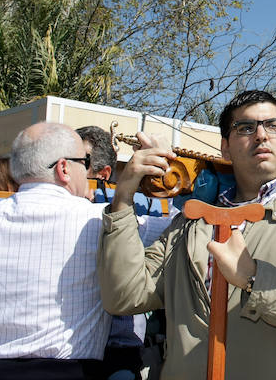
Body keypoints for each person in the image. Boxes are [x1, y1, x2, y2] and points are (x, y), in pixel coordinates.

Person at [98, 90, 276, 379]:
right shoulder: (192, 221)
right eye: (246, 128)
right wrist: (124, 197)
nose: (262, 135)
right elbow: (125, 296)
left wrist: (254, 278)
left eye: (273, 126)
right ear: (225, 148)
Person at [0, 122, 111, 379]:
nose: (88, 171)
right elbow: (180, 231)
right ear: (63, 168)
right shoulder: (99, 219)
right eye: (85, 161)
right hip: (64, 372)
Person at [76, 125, 173, 380]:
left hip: (120, 349)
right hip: (70, 353)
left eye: (78, 162)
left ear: (103, 174)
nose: (63, 170)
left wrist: (166, 166)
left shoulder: (144, 217)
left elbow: (179, 226)